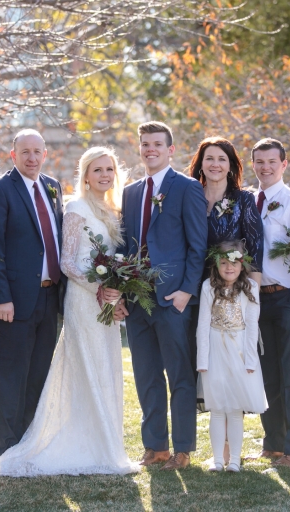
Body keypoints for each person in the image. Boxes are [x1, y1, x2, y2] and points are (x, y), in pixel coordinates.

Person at [0, 147, 138, 477]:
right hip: (70, 298)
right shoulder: (52, 200)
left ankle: (97, 442)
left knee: (75, 372)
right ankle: (12, 449)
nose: (104, 175)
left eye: (109, 169)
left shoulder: (61, 191)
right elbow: (60, 259)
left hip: (64, 300)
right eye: (96, 170)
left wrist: (116, 290)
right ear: (85, 174)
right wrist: (98, 287)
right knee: (20, 375)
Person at [111, 121, 208, 471]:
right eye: (144, 144)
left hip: (173, 300)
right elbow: (124, 245)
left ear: (170, 149)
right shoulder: (132, 192)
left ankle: (183, 447)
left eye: (156, 144)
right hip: (137, 300)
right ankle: (155, 446)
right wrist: (120, 292)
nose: (150, 149)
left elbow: (198, 245)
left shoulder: (187, 188)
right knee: (146, 374)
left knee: (180, 375)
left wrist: (186, 291)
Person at [0, 128, 66, 456]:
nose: (31, 157)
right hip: (12, 302)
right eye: (24, 152)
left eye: (37, 152)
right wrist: (0, 296)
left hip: (48, 297)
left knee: (38, 377)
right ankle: (8, 449)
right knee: (13, 377)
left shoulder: (53, 187)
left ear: (45, 155)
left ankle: (31, 445)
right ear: (13, 155)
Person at [186, 136, 264, 465]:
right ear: (200, 163)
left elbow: (256, 249)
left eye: (222, 158)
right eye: (209, 158)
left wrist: (250, 298)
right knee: (204, 368)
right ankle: (205, 450)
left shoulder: (243, 200)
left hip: (232, 294)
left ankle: (232, 454)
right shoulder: (188, 196)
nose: (215, 164)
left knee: (234, 368)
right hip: (193, 291)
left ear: (231, 165)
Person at [249, 138, 290, 467]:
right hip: (257, 300)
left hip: (287, 298)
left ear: (284, 164)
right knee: (267, 373)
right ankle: (272, 442)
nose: (265, 167)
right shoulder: (249, 202)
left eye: (272, 161)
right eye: (259, 162)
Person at [196, 240, 266, 473]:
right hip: (215, 349)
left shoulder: (250, 288)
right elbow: (203, 324)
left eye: (234, 263)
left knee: (235, 408)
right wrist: (202, 360)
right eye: (223, 263)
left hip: (239, 350)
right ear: (216, 264)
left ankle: (234, 460)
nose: (229, 268)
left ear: (242, 265)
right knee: (217, 408)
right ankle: (217, 460)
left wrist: (250, 360)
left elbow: (252, 326)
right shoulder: (208, 287)